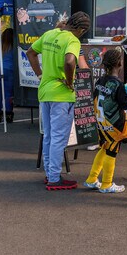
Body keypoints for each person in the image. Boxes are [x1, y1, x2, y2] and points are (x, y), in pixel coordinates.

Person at [26, 11, 90, 191]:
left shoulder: (49, 34)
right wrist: (70, 82)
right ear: (80, 29)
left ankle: (50, 173)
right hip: (61, 95)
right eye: (83, 32)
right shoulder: (72, 40)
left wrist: (39, 74)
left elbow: (30, 52)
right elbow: (70, 62)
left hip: (45, 91)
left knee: (48, 136)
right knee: (58, 139)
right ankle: (54, 178)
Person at [84, 48, 127, 194]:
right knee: (112, 152)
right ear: (119, 63)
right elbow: (125, 105)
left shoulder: (100, 81)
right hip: (114, 125)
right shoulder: (118, 84)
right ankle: (106, 183)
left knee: (104, 148)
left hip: (101, 121)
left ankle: (92, 179)